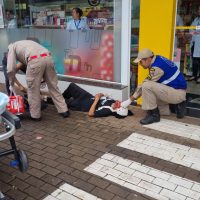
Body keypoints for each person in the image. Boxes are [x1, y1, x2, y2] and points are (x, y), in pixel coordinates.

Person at [6, 40, 69, 121]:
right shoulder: (25, 43)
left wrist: (11, 83)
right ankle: (64, 110)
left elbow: (10, 69)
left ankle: (35, 116)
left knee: (33, 90)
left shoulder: (11, 47)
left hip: (34, 60)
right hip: (48, 57)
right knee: (53, 86)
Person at [121, 48, 187, 125]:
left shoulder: (156, 67)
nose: (140, 64)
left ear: (148, 59)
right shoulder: (158, 59)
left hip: (177, 93)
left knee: (146, 86)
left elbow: (144, 85)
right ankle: (175, 107)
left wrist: (129, 101)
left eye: (141, 62)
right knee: (153, 104)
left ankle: (155, 116)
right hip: (175, 90)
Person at [51, 83, 133, 118]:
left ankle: (51, 100)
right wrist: (102, 95)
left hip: (82, 104)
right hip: (87, 96)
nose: (118, 102)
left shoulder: (107, 110)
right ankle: (60, 99)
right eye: (120, 102)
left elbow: (90, 114)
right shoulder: (113, 103)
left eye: (119, 104)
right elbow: (106, 97)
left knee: (64, 102)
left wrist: (97, 99)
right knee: (72, 86)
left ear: (117, 109)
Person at [188, 5, 200, 83]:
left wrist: (195, 32)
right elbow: (191, 28)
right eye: (199, 9)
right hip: (195, 43)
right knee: (194, 60)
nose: (199, 11)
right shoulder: (196, 19)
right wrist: (193, 32)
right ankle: (194, 75)